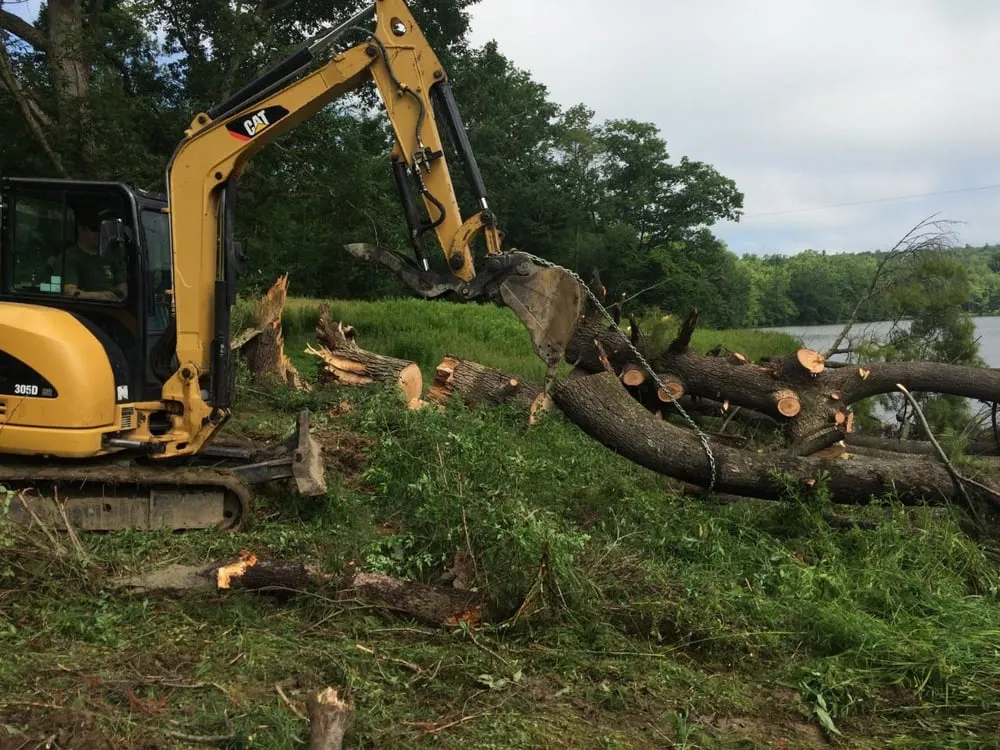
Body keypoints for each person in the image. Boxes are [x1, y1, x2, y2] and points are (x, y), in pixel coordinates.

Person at [63, 209, 128, 301]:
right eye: (95, 229)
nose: (100, 233)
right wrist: (99, 296)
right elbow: (69, 292)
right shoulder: (69, 257)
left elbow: (123, 291)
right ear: (80, 228)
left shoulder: (113, 256)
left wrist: (115, 295)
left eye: (102, 229)